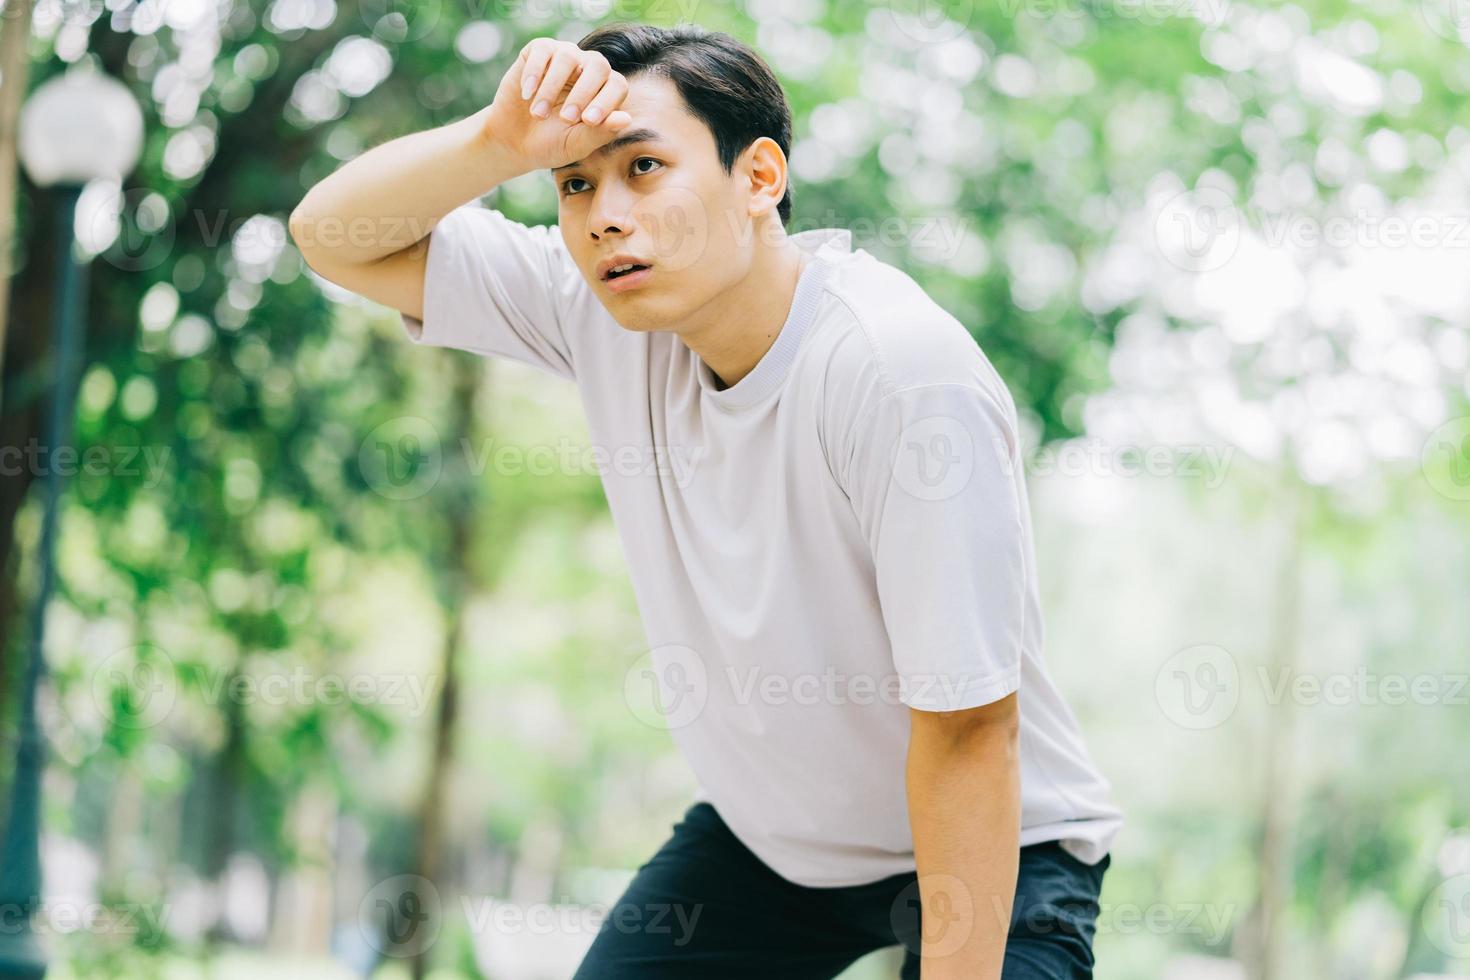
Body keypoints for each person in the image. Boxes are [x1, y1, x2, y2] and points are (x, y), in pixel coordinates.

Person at [290, 21, 1123, 979]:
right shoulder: (600, 310)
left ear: (760, 179)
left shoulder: (898, 375)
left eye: (643, 168)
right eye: (575, 183)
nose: (604, 214)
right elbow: (331, 236)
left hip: (999, 846)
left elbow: (972, 730)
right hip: (775, 850)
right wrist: (496, 142)